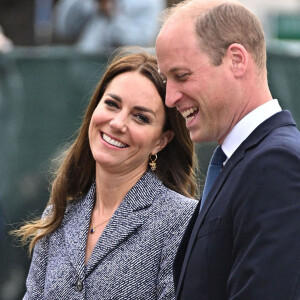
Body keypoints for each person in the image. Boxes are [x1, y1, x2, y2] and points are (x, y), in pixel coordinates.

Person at [14, 49, 198, 299]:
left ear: (161, 141)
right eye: (112, 104)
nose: (118, 123)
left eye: (140, 117)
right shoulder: (59, 216)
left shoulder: (182, 220)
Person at [156, 0, 300, 299]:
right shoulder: (243, 163)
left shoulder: (276, 164)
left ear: (236, 60)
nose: (170, 98)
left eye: (181, 76)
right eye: (165, 80)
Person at [53, 0, 166, 52]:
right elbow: (63, 30)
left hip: (123, 72)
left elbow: (142, 42)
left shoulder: (147, 3)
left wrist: (110, 12)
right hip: (81, 71)